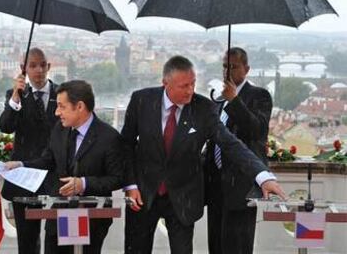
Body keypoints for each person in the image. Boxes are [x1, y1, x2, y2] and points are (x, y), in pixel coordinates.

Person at [122, 55, 285, 254]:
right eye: (184, 86)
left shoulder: (203, 108)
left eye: (193, 84)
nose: (190, 90)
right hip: (142, 194)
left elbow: (232, 145)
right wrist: (130, 185)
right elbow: (125, 145)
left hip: (183, 198)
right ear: (165, 83)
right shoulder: (141, 100)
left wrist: (262, 176)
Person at [5, 80, 124, 254]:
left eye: (61, 106)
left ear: (80, 107)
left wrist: (83, 184)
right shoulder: (59, 130)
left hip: (92, 217)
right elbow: (48, 160)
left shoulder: (109, 137)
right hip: (59, 212)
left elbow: (117, 178)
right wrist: (21, 165)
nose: (56, 112)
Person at [205, 47, 273, 254]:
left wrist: (235, 100)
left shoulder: (259, 96)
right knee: (216, 244)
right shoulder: (217, 98)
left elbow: (256, 130)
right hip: (216, 184)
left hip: (242, 186)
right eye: (225, 66)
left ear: (247, 69)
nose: (228, 71)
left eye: (234, 67)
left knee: (237, 246)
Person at [0, 47, 58, 254]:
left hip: (54, 177)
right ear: (23, 69)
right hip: (24, 178)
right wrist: (16, 94)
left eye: (42, 65)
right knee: (27, 240)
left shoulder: (62, 94)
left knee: (57, 238)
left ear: (49, 66)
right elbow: (5, 126)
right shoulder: (16, 95)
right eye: (33, 65)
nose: (39, 70)